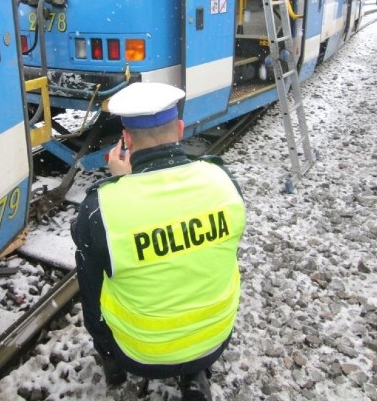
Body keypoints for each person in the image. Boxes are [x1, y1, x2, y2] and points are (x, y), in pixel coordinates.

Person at [71, 82, 246, 400]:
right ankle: (194, 375)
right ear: (179, 130)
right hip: (215, 338)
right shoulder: (224, 182)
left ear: (125, 140)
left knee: (97, 277)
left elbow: (91, 296)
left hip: (139, 353)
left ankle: (115, 370)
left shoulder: (101, 209)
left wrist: (121, 182)